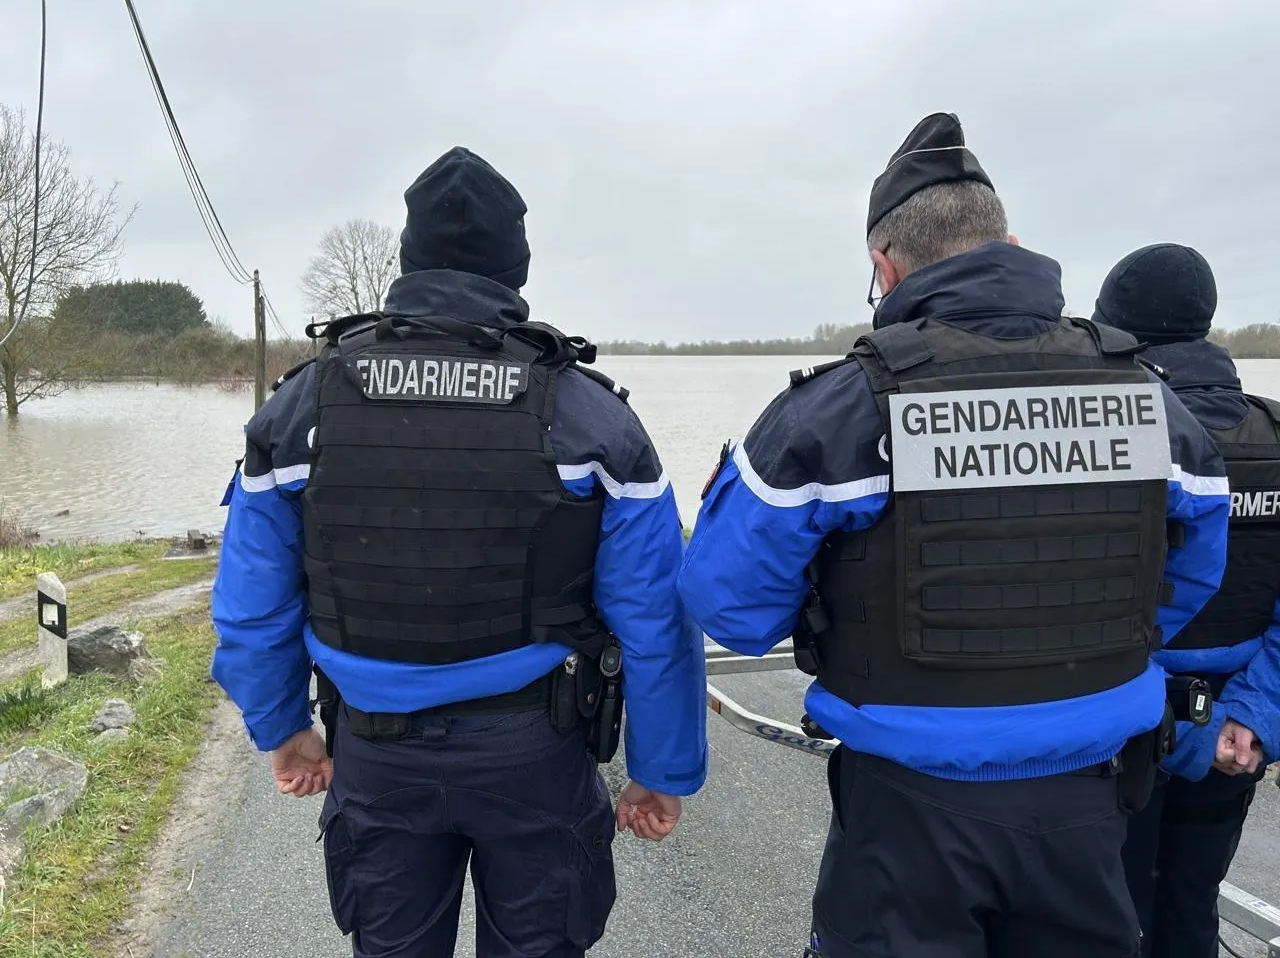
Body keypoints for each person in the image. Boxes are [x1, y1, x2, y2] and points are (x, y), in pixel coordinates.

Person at [677, 113, 1231, 958]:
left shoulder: (838, 410)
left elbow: (730, 609)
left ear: (884, 266)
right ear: (1010, 242)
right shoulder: (1148, 399)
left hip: (907, 820)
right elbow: (1194, 569)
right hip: (1090, 807)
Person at [211, 146, 708, 958]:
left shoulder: (301, 407)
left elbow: (251, 603)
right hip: (535, 754)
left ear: (408, 263)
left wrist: (282, 727)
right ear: (516, 270)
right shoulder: (590, 417)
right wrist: (662, 768)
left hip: (375, 754)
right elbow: (655, 617)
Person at [1092, 243, 1280, 958]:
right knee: (1191, 912)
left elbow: (1085, 608)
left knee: (1110, 921)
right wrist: (1250, 719)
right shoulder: (1275, 435)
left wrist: (1196, 728)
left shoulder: (1113, 439)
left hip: (1120, 733)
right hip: (1236, 739)